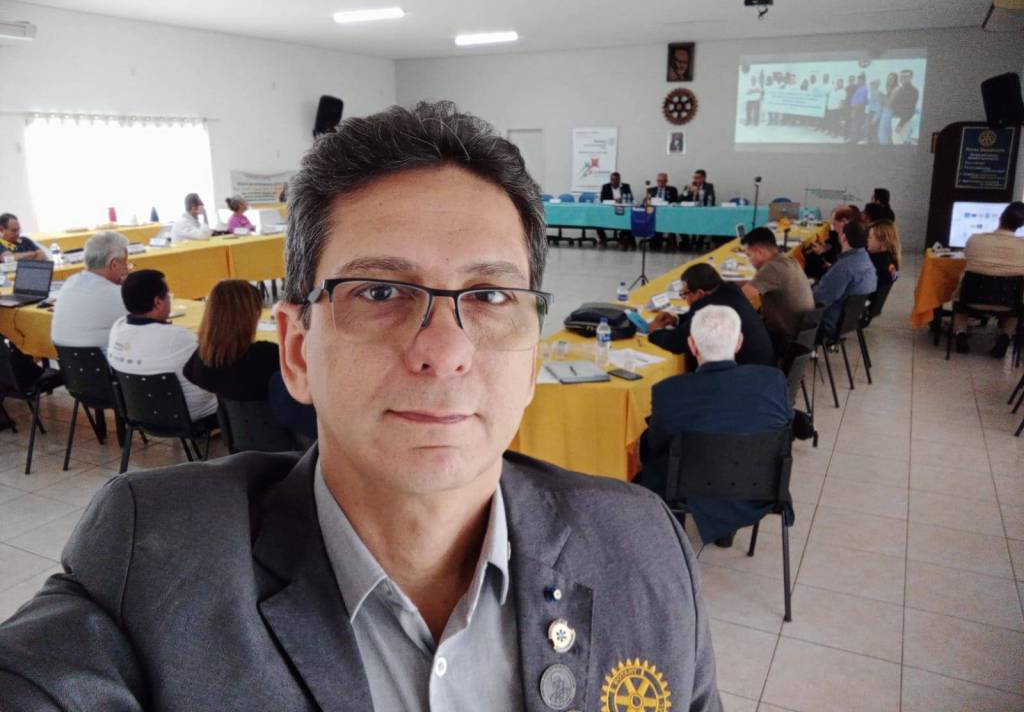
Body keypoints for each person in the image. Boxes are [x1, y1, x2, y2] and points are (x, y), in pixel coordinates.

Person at [0, 102, 722, 711]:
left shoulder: (644, 545)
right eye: (380, 292)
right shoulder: (152, 558)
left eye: (490, 295)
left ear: (532, 356)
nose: (445, 350)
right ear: (296, 351)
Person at [638, 305, 793, 547]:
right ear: (739, 342)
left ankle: (673, 543)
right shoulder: (773, 381)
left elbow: (656, 446)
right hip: (760, 486)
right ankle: (724, 528)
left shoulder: (668, 391)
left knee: (654, 457)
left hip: (688, 487)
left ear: (692, 345)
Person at [106, 269, 218, 423]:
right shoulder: (177, 337)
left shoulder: (117, 328)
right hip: (189, 414)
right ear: (158, 302)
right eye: (167, 295)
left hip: (138, 412)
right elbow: (213, 369)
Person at [648, 262, 776, 366]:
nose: (685, 299)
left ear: (700, 293)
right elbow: (695, 320)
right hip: (765, 363)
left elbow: (677, 343)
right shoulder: (730, 289)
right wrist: (675, 319)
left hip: (745, 372)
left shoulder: (708, 307)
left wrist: (656, 331)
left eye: (685, 294)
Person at [183, 280, 280, 401]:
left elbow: (188, 373)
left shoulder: (206, 355)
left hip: (229, 412)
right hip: (272, 411)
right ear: (250, 315)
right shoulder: (266, 355)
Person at [953, 202, 1024, 358]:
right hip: (1008, 304)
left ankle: (960, 333)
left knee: (960, 294)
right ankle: (1005, 336)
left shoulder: (975, 240)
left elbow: (966, 256)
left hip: (970, 300)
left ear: (1000, 217)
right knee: (1018, 300)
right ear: (1020, 225)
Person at [51, 231, 130, 352]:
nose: (127, 270)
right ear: (114, 265)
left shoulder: (70, 282)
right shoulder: (116, 294)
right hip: (106, 360)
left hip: (68, 361)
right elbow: (146, 319)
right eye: (125, 264)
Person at [741, 227, 815, 355]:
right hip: (801, 335)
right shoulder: (788, 260)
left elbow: (741, 296)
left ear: (760, 252)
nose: (749, 261)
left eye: (749, 255)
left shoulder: (772, 268)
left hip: (783, 339)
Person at [813, 221, 877, 338]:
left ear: (843, 238)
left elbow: (818, 300)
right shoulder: (866, 260)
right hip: (847, 324)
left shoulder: (844, 267)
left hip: (827, 324)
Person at [802, 204, 859, 280]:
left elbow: (838, 268)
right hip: (834, 267)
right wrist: (825, 247)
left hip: (836, 275)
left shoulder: (849, 239)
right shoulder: (845, 232)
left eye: (834, 224)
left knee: (809, 259)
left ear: (844, 221)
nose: (833, 228)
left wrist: (821, 253)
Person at [866, 219, 900, 312]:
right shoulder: (892, 260)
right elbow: (895, 277)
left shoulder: (873, 261)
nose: (867, 240)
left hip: (862, 304)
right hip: (872, 305)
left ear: (883, 241)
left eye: (870, 237)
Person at [597, 172, 632, 247]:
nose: (614, 181)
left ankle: (622, 239)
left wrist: (622, 200)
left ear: (619, 180)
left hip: (622, 212)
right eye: (612, 180)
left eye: (616, 180)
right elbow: (602, 199)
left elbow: (631, 198)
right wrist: (614, 201)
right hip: (608, 212)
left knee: (629, 221)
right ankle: (603, 239)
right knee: (597, 220)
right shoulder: (605, 186)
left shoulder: (625, 186)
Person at [890, 69, 920, 144]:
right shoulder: (897, 90)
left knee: (901, 144)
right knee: (895, 142)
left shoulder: (914, 91)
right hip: (894, 119)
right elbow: (892, 105)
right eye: (901, 76)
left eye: (906, 76)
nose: (903, 78)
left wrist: (900, 124)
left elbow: (910, 110)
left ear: (911, 77)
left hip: (904, 122)